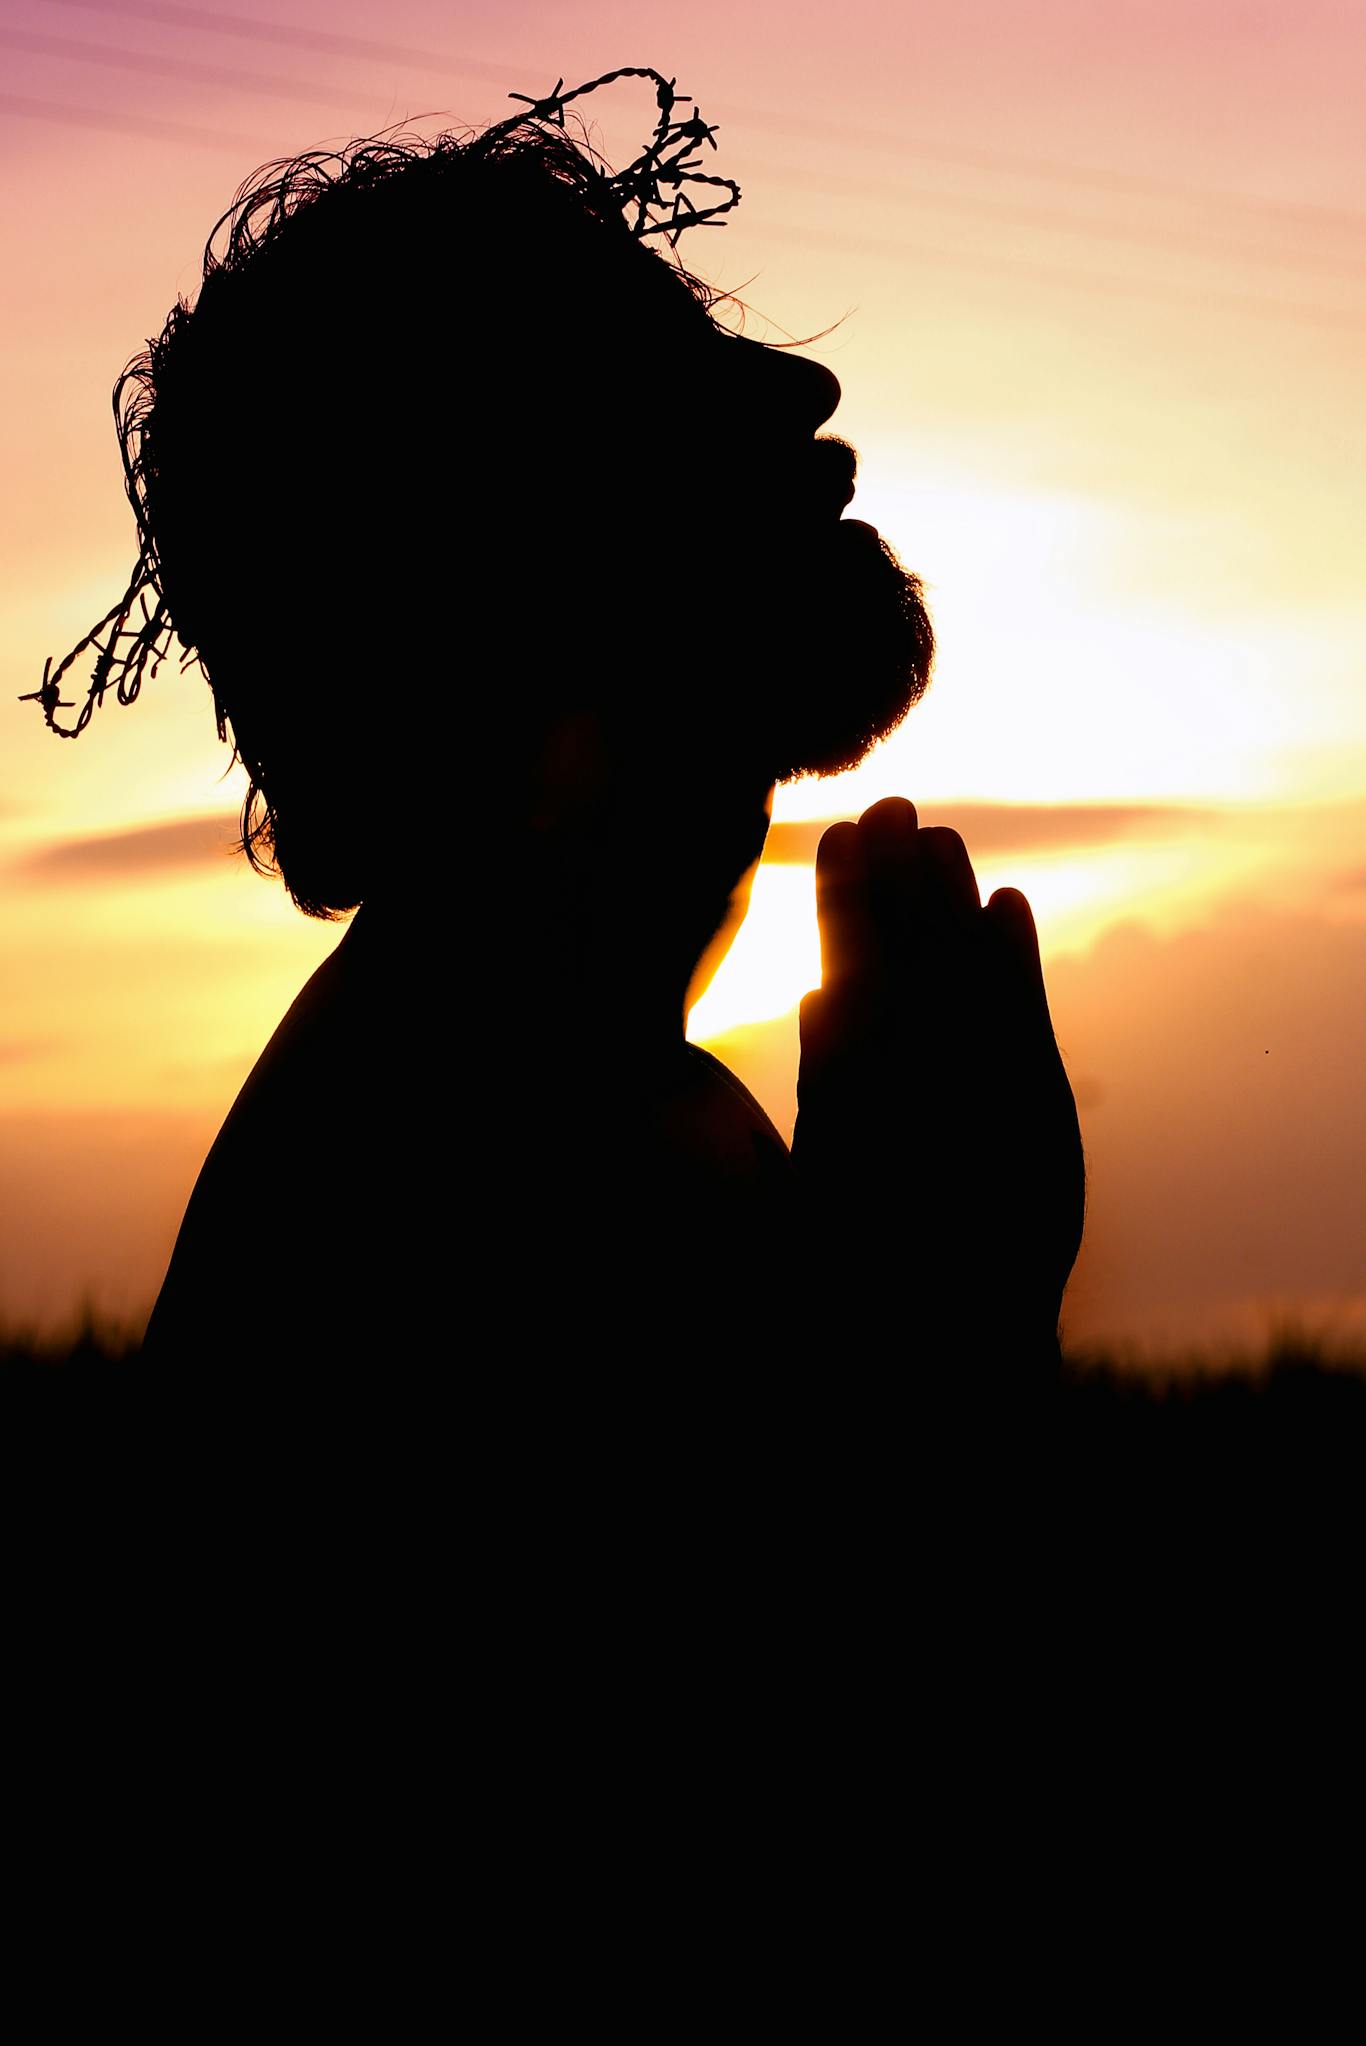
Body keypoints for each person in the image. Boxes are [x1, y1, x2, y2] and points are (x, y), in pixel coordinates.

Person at [35, 73, 1084, 1384]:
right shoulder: (502, 1191)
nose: (799, 389)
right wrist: (950, 1306)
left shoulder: (503, 1094)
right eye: (660, 386)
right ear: (493, 583)